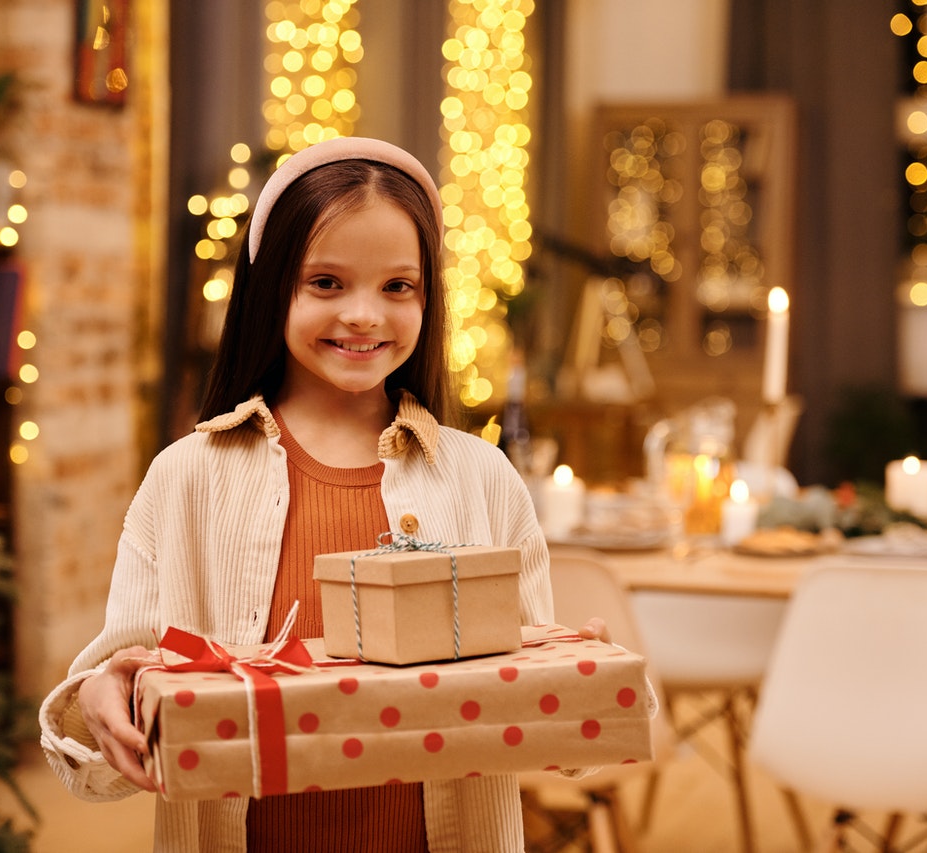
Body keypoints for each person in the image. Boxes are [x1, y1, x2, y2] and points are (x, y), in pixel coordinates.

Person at [39, 136, 606, 852]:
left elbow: (539, 716)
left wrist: (584, 677)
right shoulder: (185, 479)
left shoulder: (482, 478)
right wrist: (100, 694)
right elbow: (115, 703)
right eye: (327, 283)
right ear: (273, 288)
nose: (364, 315)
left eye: (397, 286)